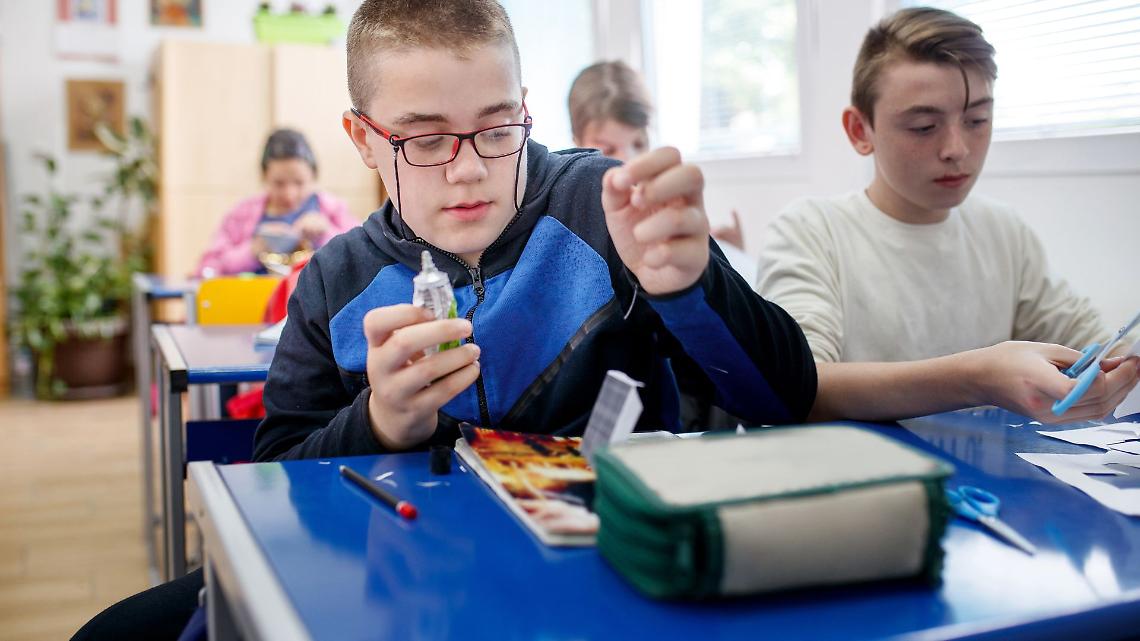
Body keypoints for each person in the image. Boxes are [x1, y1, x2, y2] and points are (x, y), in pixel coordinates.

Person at [72, 3, 1135, 639]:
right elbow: (275, 477)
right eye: (426, 137)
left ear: (527, 104)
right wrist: (380, 426)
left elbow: (781, 393)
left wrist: (685, 285)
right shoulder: (332, 282)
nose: (472, 168)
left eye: (498, 126)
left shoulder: (603, 202)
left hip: (601, 586)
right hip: (404, 595)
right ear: (362, 135)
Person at [756, 7, 1134, 366]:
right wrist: (976, 378)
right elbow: (802, 385)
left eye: (977, 120)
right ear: (860, 130)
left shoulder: (1003, 233)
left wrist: (1125, 360)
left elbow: (1098, 346)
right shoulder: (812, 232)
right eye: (924, 126)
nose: (957, 149)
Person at [567, 60, 756, 282]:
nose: (627, 162)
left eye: (638, 144)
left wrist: (726, 256)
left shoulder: (662, 203)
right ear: (576, 144)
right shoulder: (573, 223)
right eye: (608, 149)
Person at [194, 128, 359, 277]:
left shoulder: (333, 211)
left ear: (313, 177)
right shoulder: (242, 213)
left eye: (299, 183)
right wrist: (253, 250)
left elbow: (360, 258)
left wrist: (325, 234)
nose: (289, 194)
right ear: (264, 177)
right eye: (279, 183)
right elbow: (207, 269)